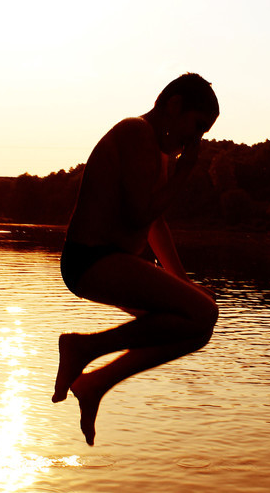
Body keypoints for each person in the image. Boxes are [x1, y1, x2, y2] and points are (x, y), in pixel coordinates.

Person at [53, 73, 220, 445]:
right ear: (174, 106)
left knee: (198, 322)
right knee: (203, 313)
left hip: (110, 261)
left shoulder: (157, 150)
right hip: (91, 259)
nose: (195, 140)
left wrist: (182, 281)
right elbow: (136, 215)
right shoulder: (136, 133)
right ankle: (83, 348)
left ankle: (95, 383)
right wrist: (185, 171)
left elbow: (154, 222)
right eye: (196, 127)